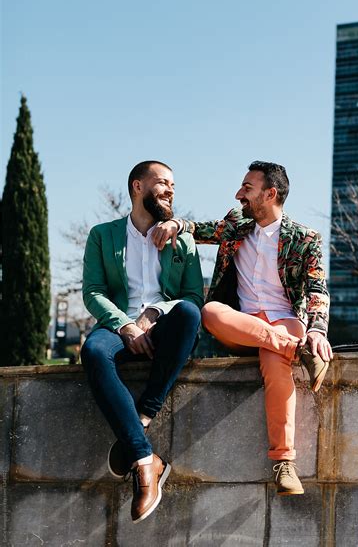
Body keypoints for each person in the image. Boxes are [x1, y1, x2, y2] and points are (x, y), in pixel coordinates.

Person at [153, 160, 331, 496]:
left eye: (247, 189)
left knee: (276, 366)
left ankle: (285, 464)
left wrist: (317, 331)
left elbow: (318, 288)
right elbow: (202, 229)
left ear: (270, 193)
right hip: (241, 323)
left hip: (285, 320)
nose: (238, 195)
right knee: (210, 312)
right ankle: (297, 351)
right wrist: (177, 223)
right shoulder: (236, 224)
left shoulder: (306, 239)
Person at [81, 160, 203, 523]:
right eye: (162, 182)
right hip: (118, 328)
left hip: (165, 328)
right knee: (92, 350)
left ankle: (143, 415)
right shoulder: (103, 234)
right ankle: (145, 460)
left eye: (173, 185)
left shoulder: (184, 241)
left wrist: (153, 314)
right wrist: (125, 326)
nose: (170, 190)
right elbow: (93, 292)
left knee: (190, 315)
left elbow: (193, 297)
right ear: (138, 186)